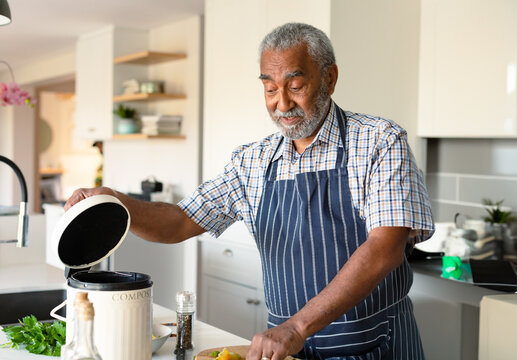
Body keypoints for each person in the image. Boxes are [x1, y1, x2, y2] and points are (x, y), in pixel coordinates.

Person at [66, 23, 434, 360]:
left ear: (330, 78)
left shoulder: (379, 141)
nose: (282, 104)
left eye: (295, 85)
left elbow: (384, 247)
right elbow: (178, 221)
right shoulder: (253, 161)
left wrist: (296, 327)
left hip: (372, 345)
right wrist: (113, 200)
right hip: (286, 349)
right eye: (270, 89)